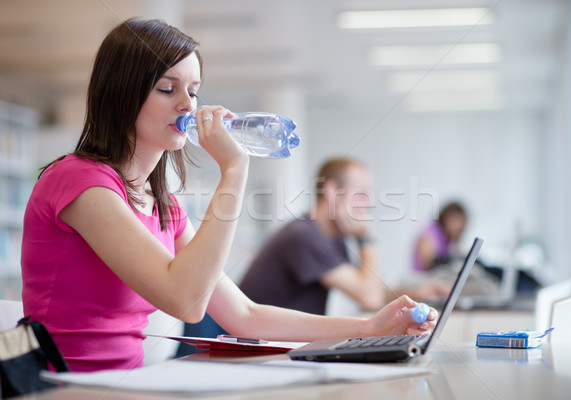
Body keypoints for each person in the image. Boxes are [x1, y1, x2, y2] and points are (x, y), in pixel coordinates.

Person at [20, 19, 437, 373]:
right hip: (63, 386)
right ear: (122, 95)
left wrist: (369, 328)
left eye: (194, 90)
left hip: (129, 384)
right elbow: (186, 302)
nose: (188, 105)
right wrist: (235, 170)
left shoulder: (164, 206)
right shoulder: (78, 181)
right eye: (168, 89)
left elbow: (244, 314)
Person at [239, 158, 451, 315]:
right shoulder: (304, 237)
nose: (370, 204)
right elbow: (370, 299)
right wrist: (365, 237)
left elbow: (366, 288)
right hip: (260, 351)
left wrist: (416, 293)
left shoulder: (331, 236)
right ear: (332, 192)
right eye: (362, 194)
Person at [413, 201, 467, 272]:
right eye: (455, 221)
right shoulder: (431, 233)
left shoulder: (449, 239)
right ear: (445, 218)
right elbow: (429, 260)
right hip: (423, 278)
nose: (458, 226)